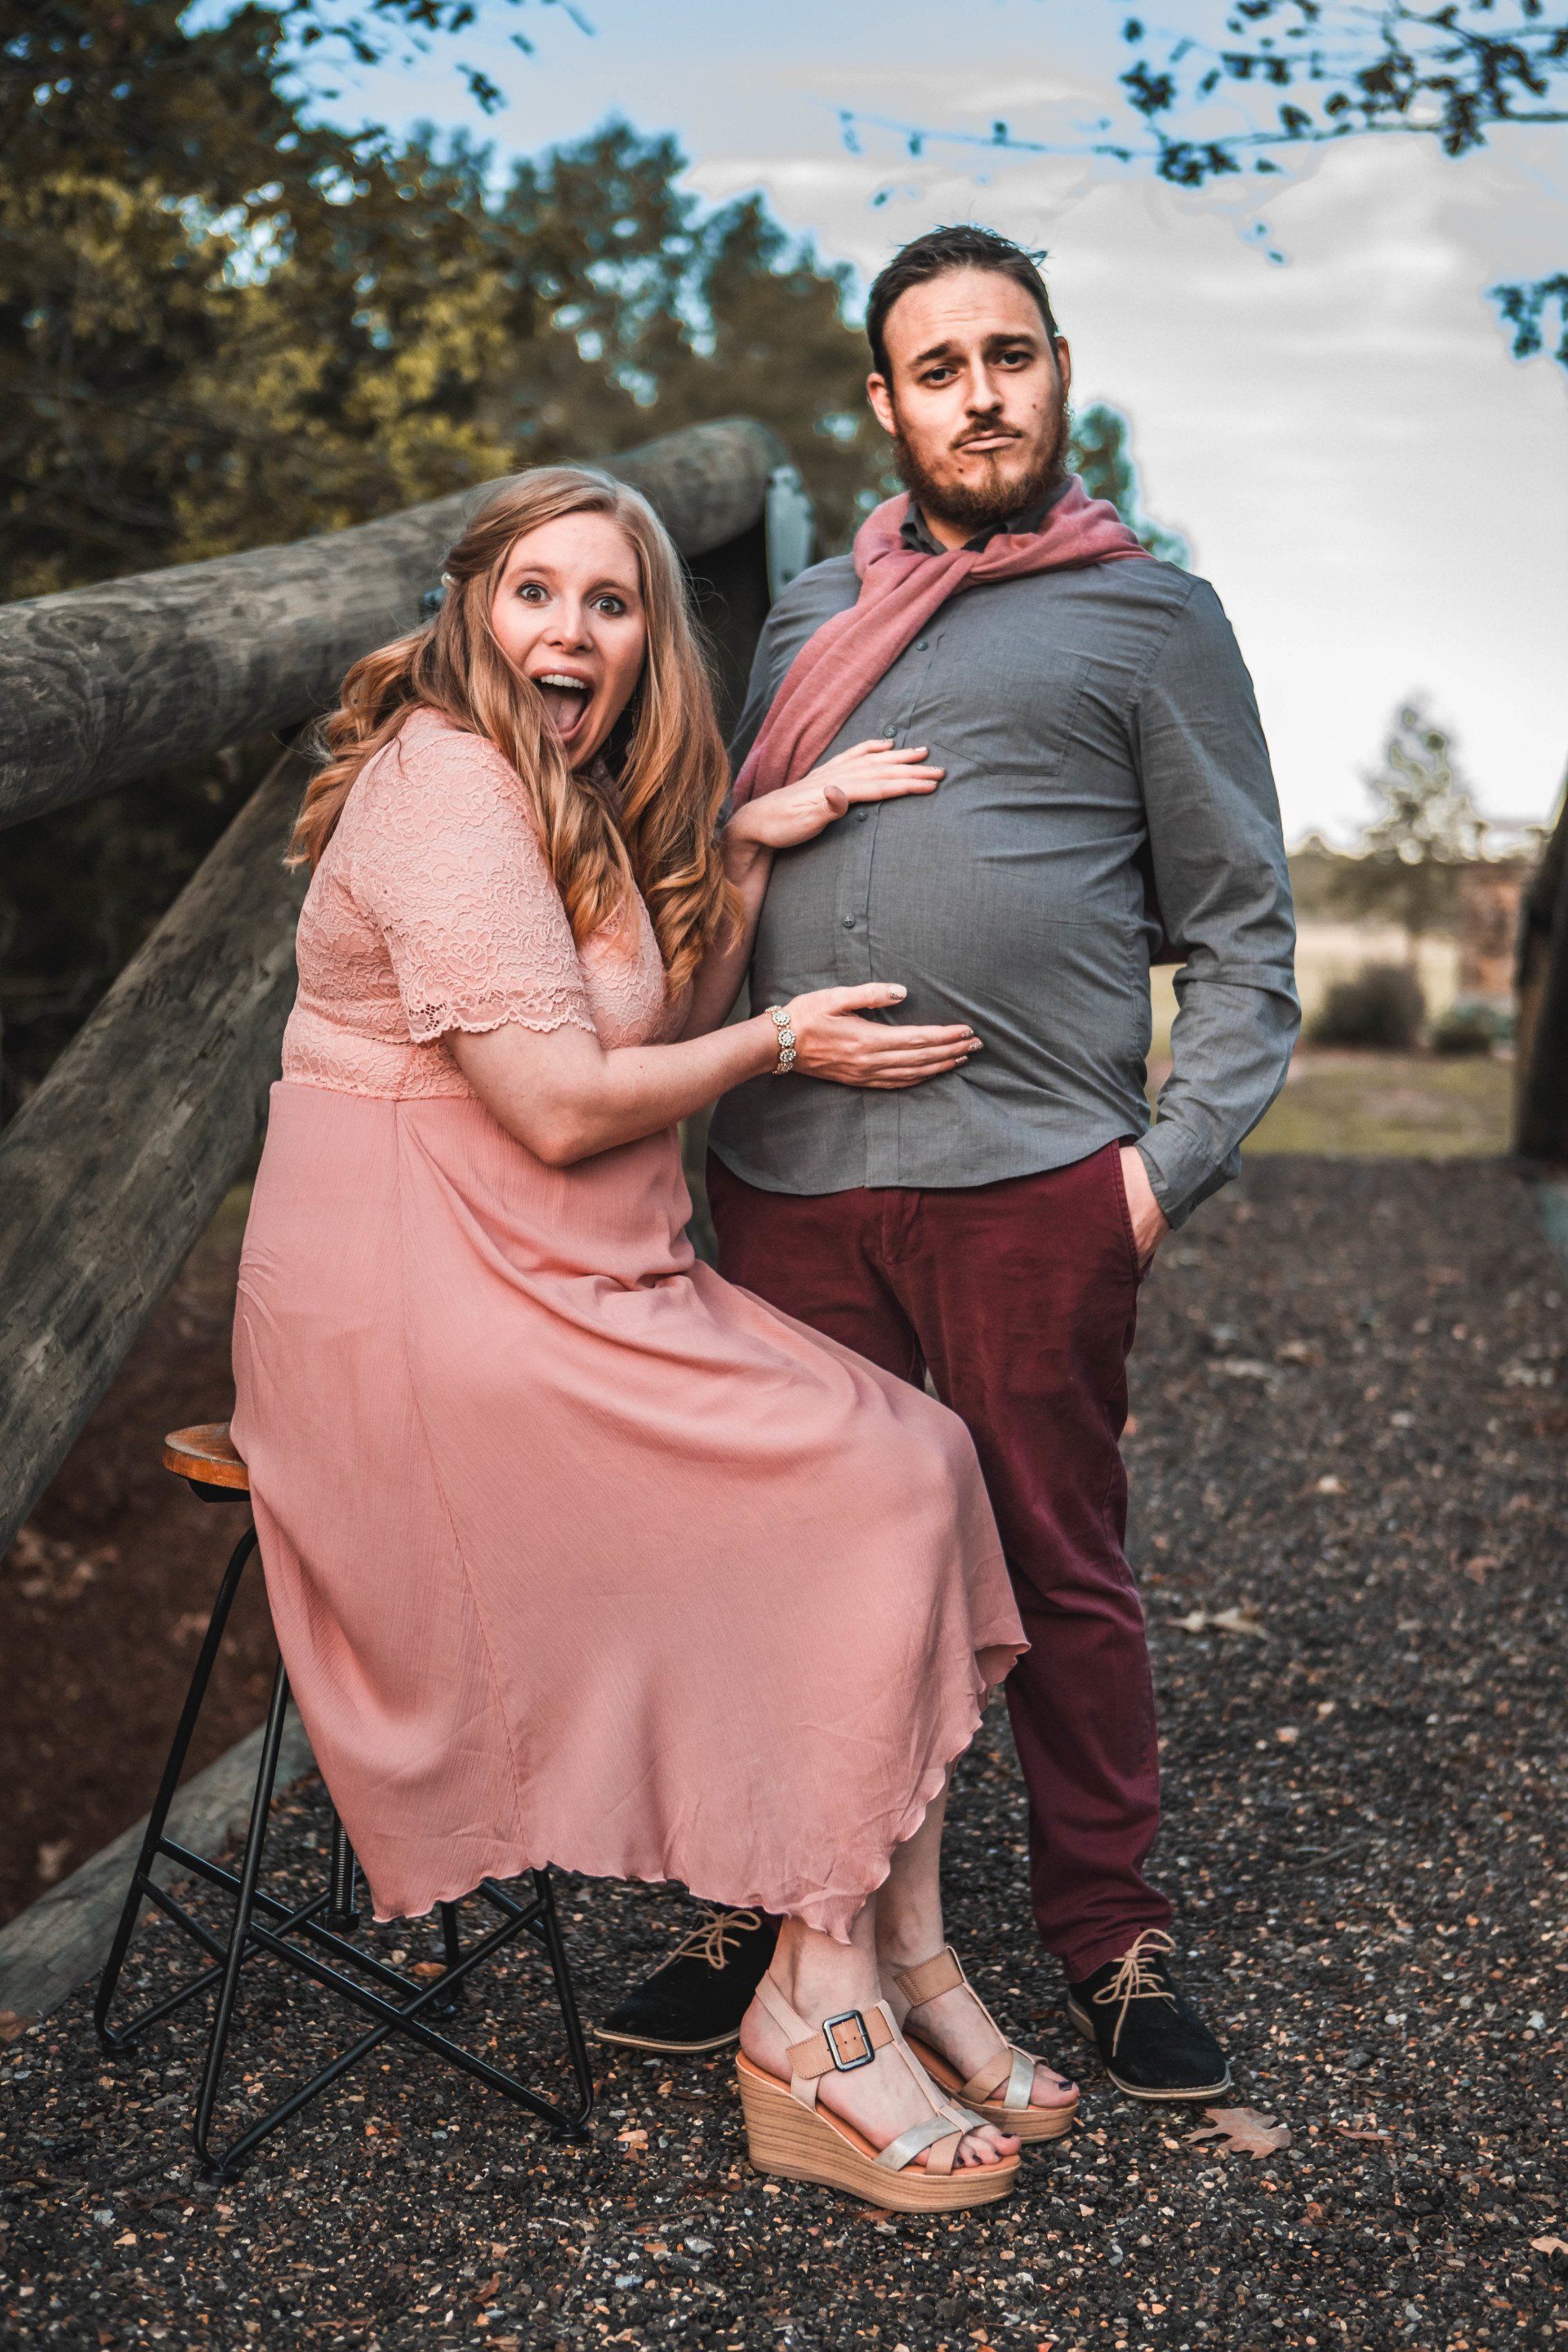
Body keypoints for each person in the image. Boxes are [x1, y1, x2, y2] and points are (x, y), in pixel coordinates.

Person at [230, 463, 1083, 2212]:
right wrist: (785, 1050)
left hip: (552, 1275)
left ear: (645, 643)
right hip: (416, 1303)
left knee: (920, 1455)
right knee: (861, 1488)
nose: (572, 629)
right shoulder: (448, 785)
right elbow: (559, 1108)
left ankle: (897, 1957)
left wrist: (750, 846)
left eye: (610, 602)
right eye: (537, 591)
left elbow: (649, 1013)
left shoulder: (568, 793)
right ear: (476, 606)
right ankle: (820, 2006)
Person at [595, 225, 1299, 2103]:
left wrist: (1158, 1171)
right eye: (938, 367)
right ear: (885, 403)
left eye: (1009, 356)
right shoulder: (812, 614)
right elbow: (723, 850)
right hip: (792, 1175)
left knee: (1055, 1559)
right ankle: (767, 1905)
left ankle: (1112, 1933)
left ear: (1058, 370)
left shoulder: (1152, 616)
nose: (977, 394)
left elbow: (1242, 931)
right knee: (780, 1560)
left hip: (1031, 1180)